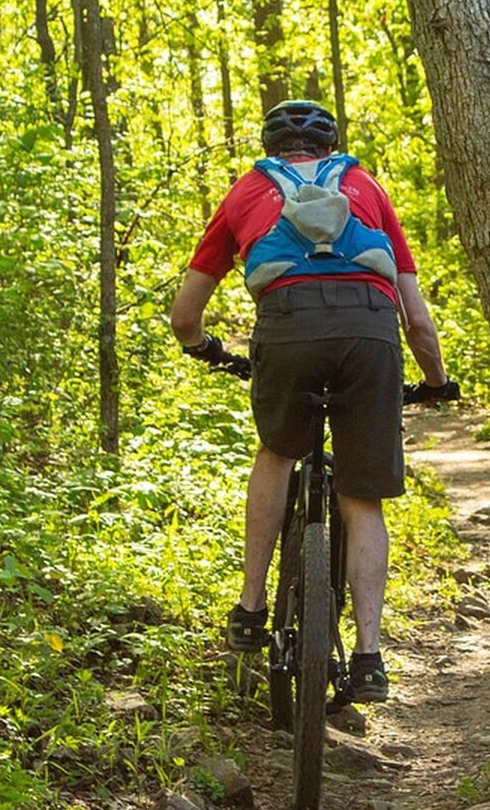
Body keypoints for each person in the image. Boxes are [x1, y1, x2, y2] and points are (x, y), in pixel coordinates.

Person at [170, 99, 454, 702]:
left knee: (276, 453)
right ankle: (369, 657)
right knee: (362, 497)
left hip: (287, 328)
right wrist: (435, 382)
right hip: (369, 333)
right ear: (330, 147)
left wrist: (205, 349)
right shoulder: (365, 188)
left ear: (271, 147)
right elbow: (418, 322)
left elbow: (184, 316)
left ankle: (250, 608)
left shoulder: (246, 192)